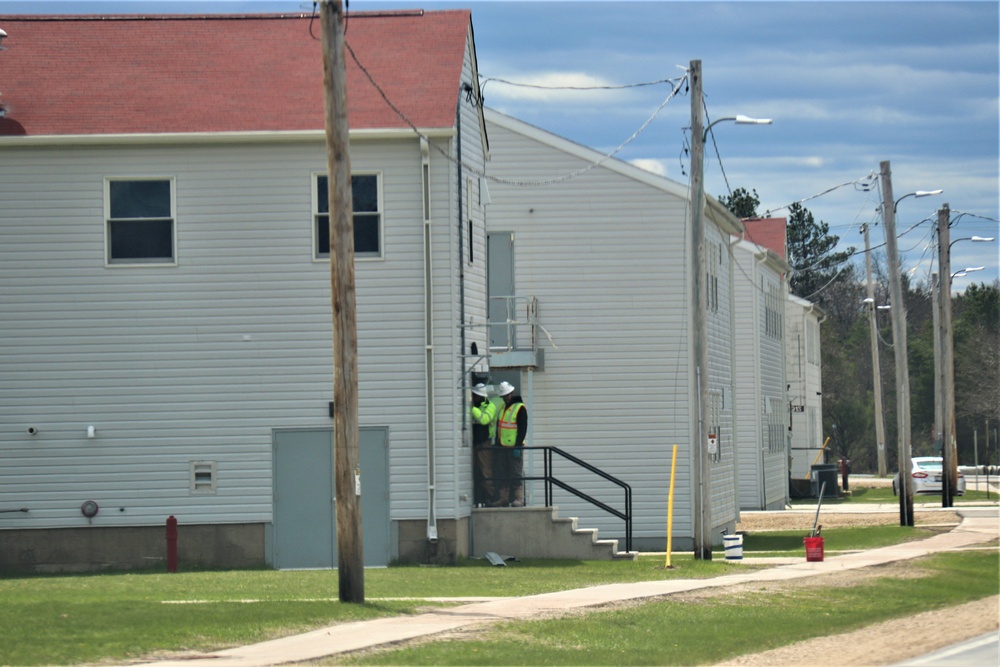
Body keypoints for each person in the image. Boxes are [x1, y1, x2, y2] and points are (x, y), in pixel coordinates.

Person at [494, 381, 527, 507]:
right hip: (502, 446)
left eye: (507, 395)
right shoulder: (503, 408)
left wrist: (518, 445)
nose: (506, 398)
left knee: (516, 472)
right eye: (504, 396)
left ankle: (518, 498)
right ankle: (504, 498)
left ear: (512, 393)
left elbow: (522, 428)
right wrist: (497, 442)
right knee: (503, 472)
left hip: (514, 446)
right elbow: (500, 427)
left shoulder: (519, 408)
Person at [470, 383, 498, 506]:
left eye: (475, 396)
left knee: (485, 471)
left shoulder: (489, 406)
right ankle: (478, 498)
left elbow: (484, 420)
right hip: (474, 443)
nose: (474, 398)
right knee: (475, 471)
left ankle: (492, 497)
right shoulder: (475, 406)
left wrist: (471, 408)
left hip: (485, 443)